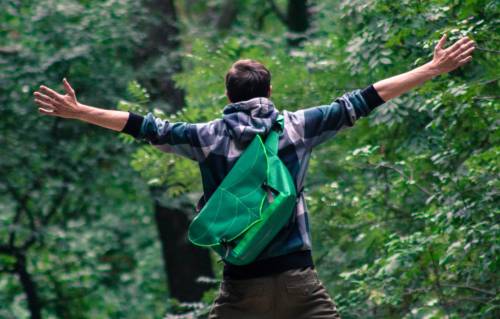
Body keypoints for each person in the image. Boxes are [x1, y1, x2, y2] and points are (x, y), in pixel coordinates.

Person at [33, 34, 475, 319]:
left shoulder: (205, 137)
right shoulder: (299, 127)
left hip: (241, 288)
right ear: (268, 93)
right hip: (301, 282)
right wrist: (433, 68)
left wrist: (79, 111)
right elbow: (365, 97)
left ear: (228, 96)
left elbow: (143, 125)